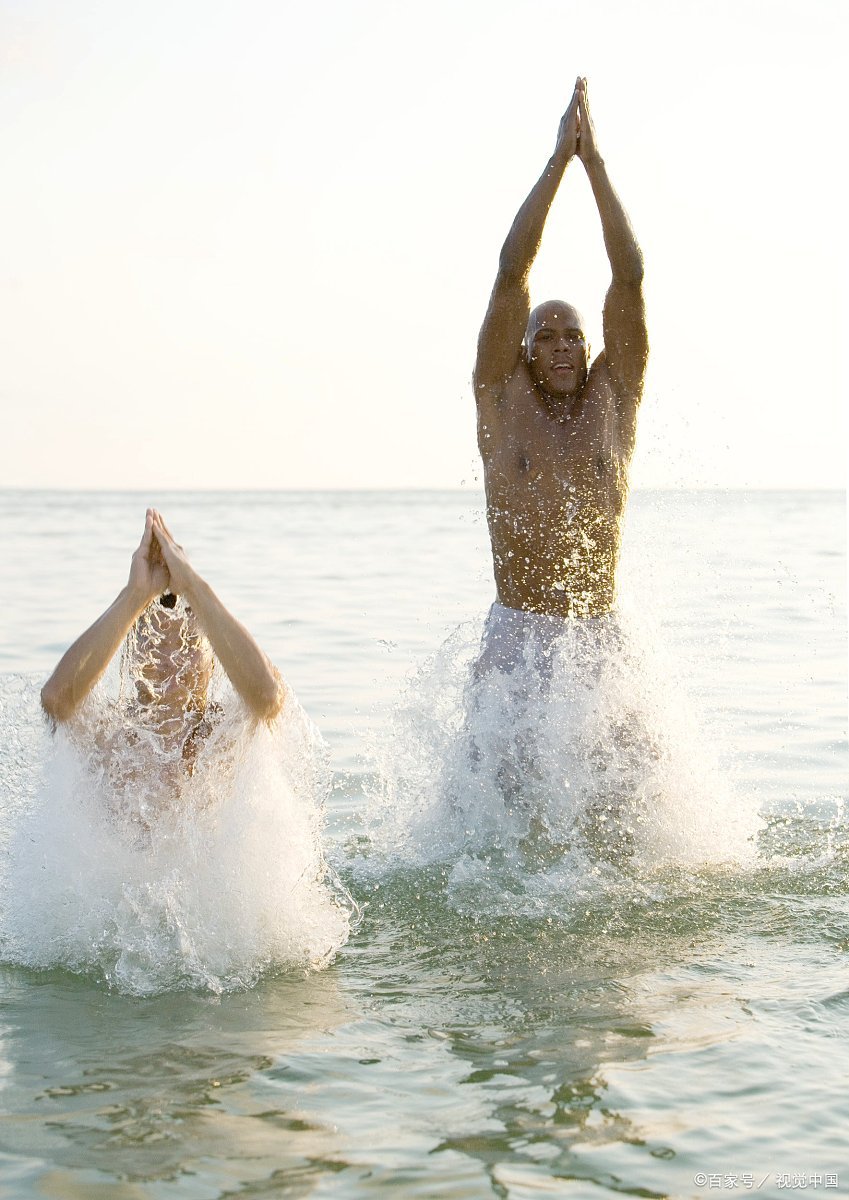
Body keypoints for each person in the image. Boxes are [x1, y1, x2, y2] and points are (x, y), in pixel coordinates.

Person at [473, 76, 647, 675]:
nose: (561, 347)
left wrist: (593, 164)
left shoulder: (614, 397)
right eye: (543, 338)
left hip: (600, 639)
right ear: (522, 352)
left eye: (573, 335)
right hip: (517, 635)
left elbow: (630, 277)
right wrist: (557, 163)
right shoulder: (501, 394)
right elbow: (510, 271)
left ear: (592, 347)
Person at [41, 508, 285, 784]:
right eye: (155, 645)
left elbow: (268, 695)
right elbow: (56, 699)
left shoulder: (227, 733)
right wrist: (135, 594)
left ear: (214, 659)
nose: (171, 660)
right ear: (132, 658)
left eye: (188, 643)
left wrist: (193, 586)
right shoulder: (109, 736)